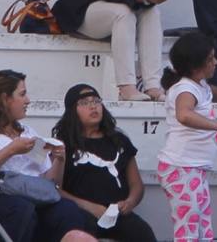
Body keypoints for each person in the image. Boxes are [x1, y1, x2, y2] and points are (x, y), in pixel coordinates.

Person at [0, 69, 99, 242]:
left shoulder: (27, 133)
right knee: (20, 210)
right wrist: (11, 150)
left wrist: (59, 160)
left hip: (28, 203)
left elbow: (50, 185)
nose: (28, 101)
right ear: (5, 99)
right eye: (22, 94)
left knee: (67, 210)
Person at [156, 32, 217, 241]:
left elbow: (211, 90)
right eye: (211, 58)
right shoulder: (184, 89)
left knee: (203, 228)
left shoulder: (197, 84)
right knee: (188, 229)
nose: (216, 62)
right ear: (195, 67)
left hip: (194, 169)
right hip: (181, 168)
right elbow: (184, 114)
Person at [52, 83, 158, 242]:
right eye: (84, 103)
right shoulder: (63, 144)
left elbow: (136, 184)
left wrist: (129, 202)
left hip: (116, 213)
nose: (93, 106)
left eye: (96, 101)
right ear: (72, 110)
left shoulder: (118, 141)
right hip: (80, 213)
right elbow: (55, 188)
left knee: (142, 232)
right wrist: (89, 207)